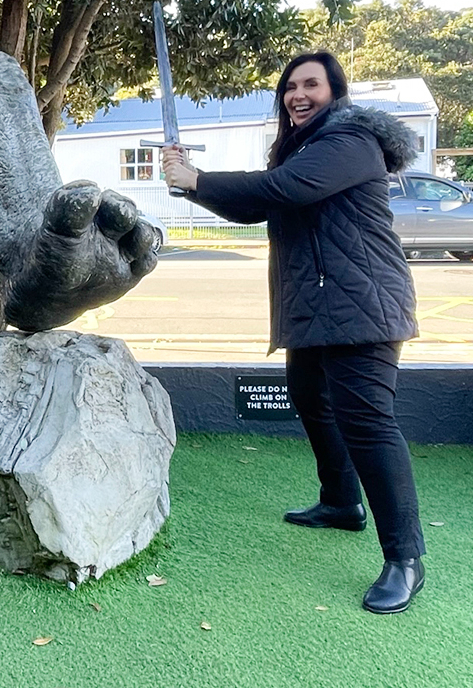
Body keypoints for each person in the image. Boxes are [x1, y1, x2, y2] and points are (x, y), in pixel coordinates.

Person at [161, 51, 426, 614]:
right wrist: (191, 186)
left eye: (311, 84)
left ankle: (405, 559)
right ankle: (340, 503)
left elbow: (284, 190)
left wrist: (198, 177)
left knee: (369, 424)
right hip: (315, 305)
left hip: (362, 304)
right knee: (310, 399)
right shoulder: (305, 148)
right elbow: (258, 206)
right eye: (290, 87)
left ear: (336, 91)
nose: (297, 95)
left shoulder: (350, 140)